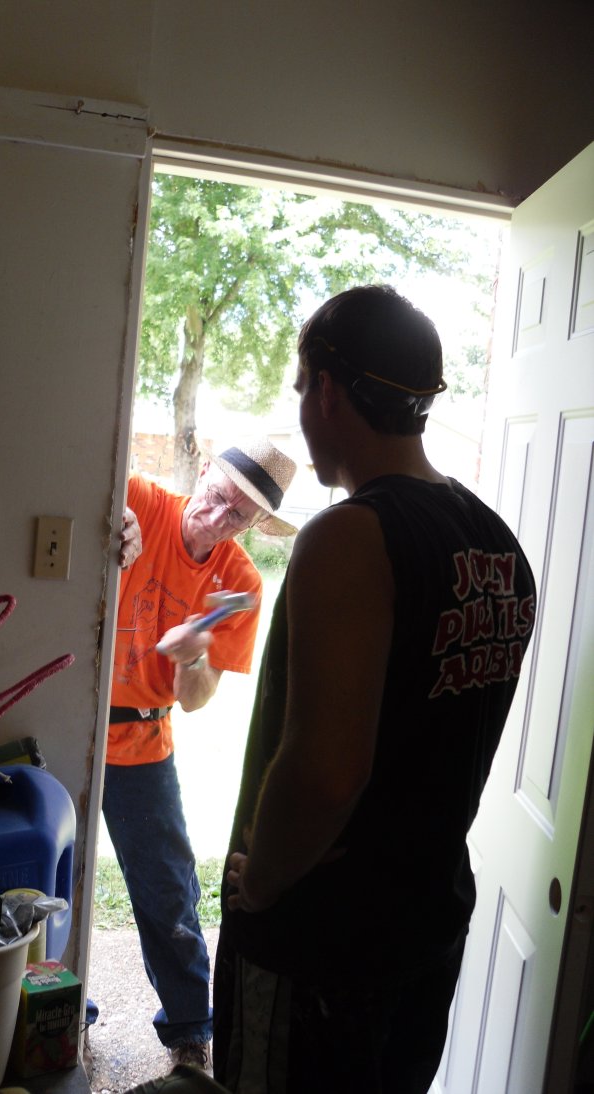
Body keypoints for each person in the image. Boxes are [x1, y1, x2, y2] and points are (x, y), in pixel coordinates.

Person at [213, 286, 536, 1093]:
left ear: (328, 389)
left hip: (321, 946)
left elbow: (327, 773)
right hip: (424, 926)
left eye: (301, 388)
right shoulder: (499, 546)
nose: (302, 410)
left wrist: (260, 882)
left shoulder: (350, 537)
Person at [104, 438, 298, 1072]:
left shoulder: (239, 583)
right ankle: (57, 1007)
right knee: (54, 876)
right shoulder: (139, 497)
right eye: (216, 496)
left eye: (238, 514)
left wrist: (192, 656)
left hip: (143, 741)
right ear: (205, 469)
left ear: (256, 523)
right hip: (74, 723)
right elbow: (79, 505)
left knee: (168, 889)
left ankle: (190, 1032)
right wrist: (118, 525)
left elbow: (195, 701)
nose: (217, 517)